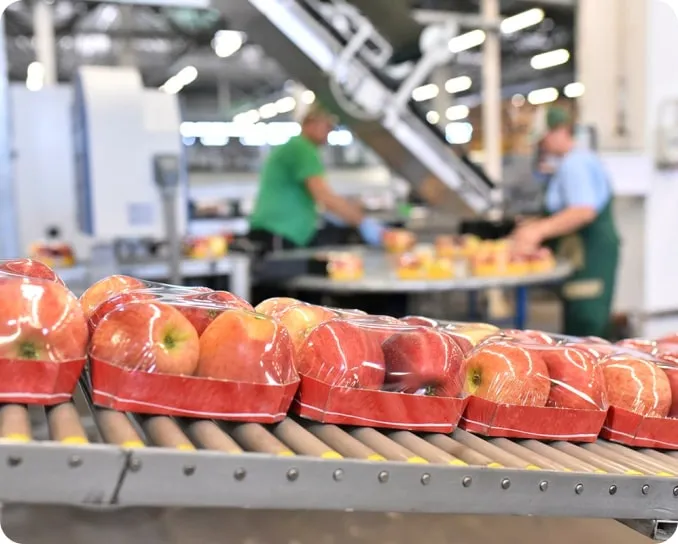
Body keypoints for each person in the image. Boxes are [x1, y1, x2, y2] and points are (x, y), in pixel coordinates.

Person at [511, 107, 620, 338]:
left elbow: (583, 211)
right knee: (579, 331)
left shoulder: (575, 164)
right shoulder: (573, 161)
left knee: (586, 332)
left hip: (590, 259)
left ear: (560, 131)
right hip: (582, 257)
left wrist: (538, 231)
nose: (542, 146)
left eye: (544, 139)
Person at [248, 104, 385, 252]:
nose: (329, 132)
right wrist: (362, 222)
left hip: (276, 230)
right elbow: (324, 196)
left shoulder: (296, 146)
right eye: (327, 126)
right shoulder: (303, 148)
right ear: (311, 123)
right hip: (280, 231)